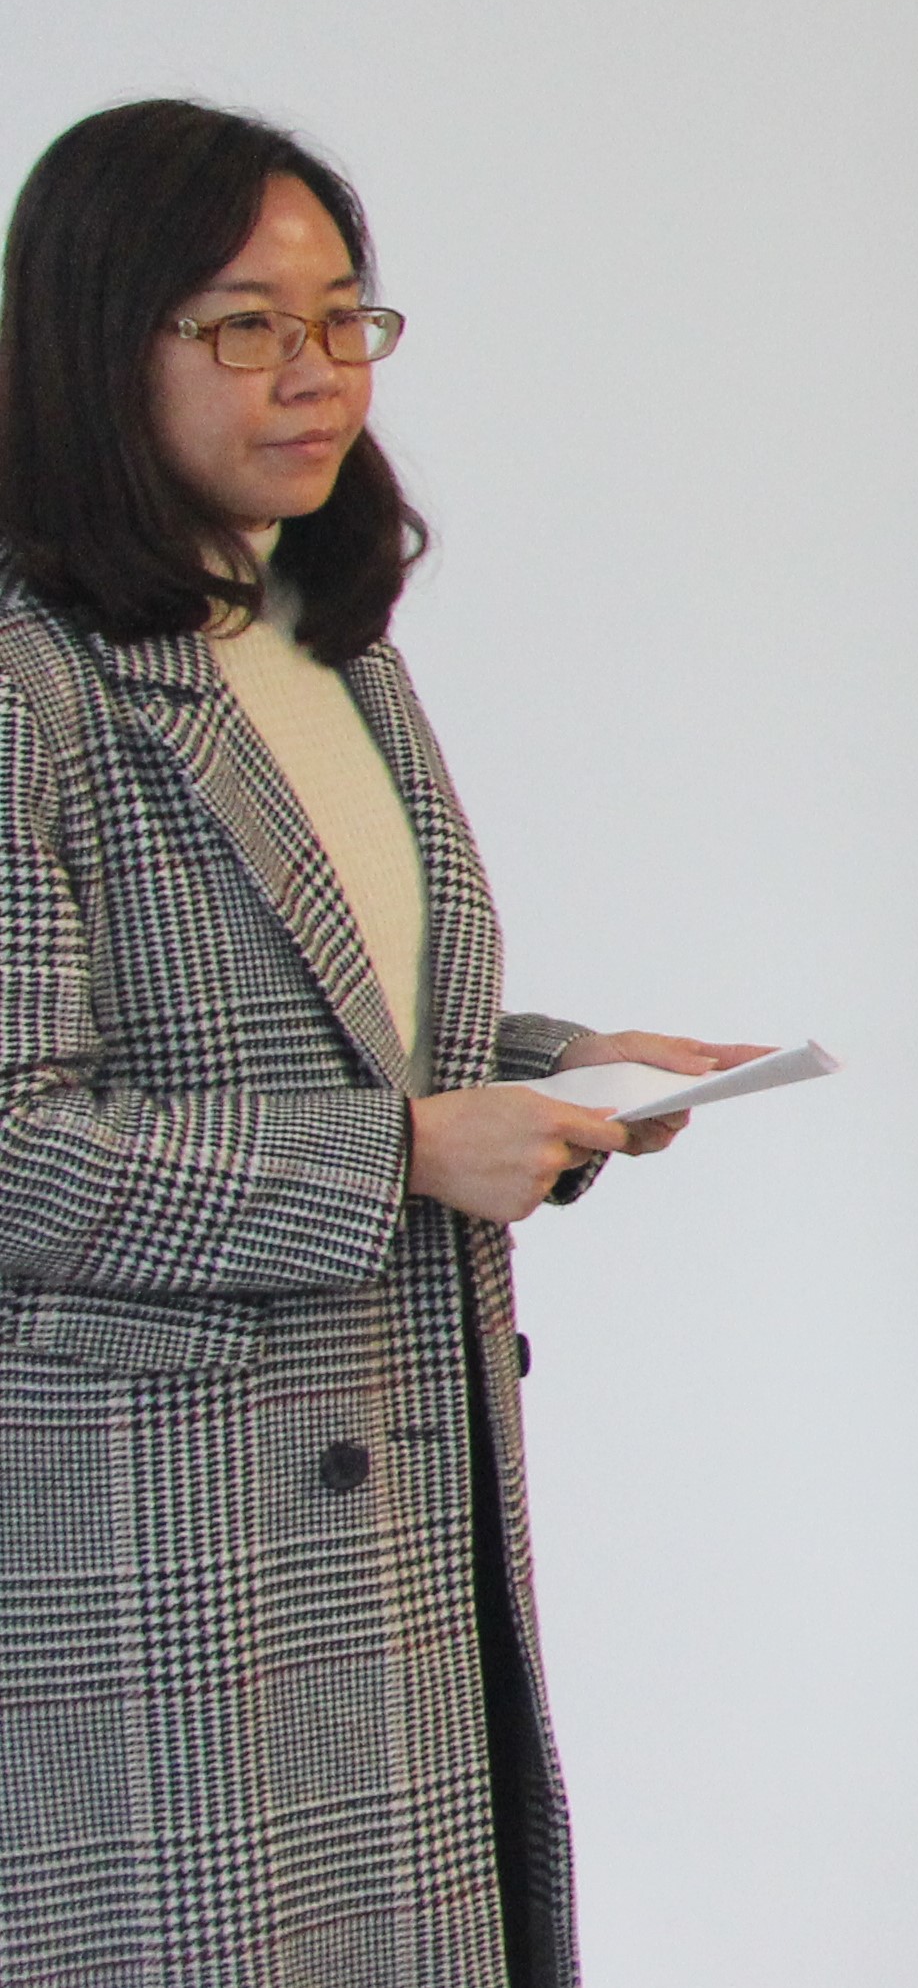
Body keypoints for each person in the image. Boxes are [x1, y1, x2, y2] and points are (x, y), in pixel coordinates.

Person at [0, 101, 755, 1988]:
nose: (317, 371)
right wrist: (408, 1152)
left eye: (346, 317)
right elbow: (16, 1143)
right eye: (246, 324)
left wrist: (563, 1065)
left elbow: (343, 1019)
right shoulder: (28, 674)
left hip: (398, 1475)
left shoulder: (322, 631)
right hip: (160, 1546)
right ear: (96, 340)